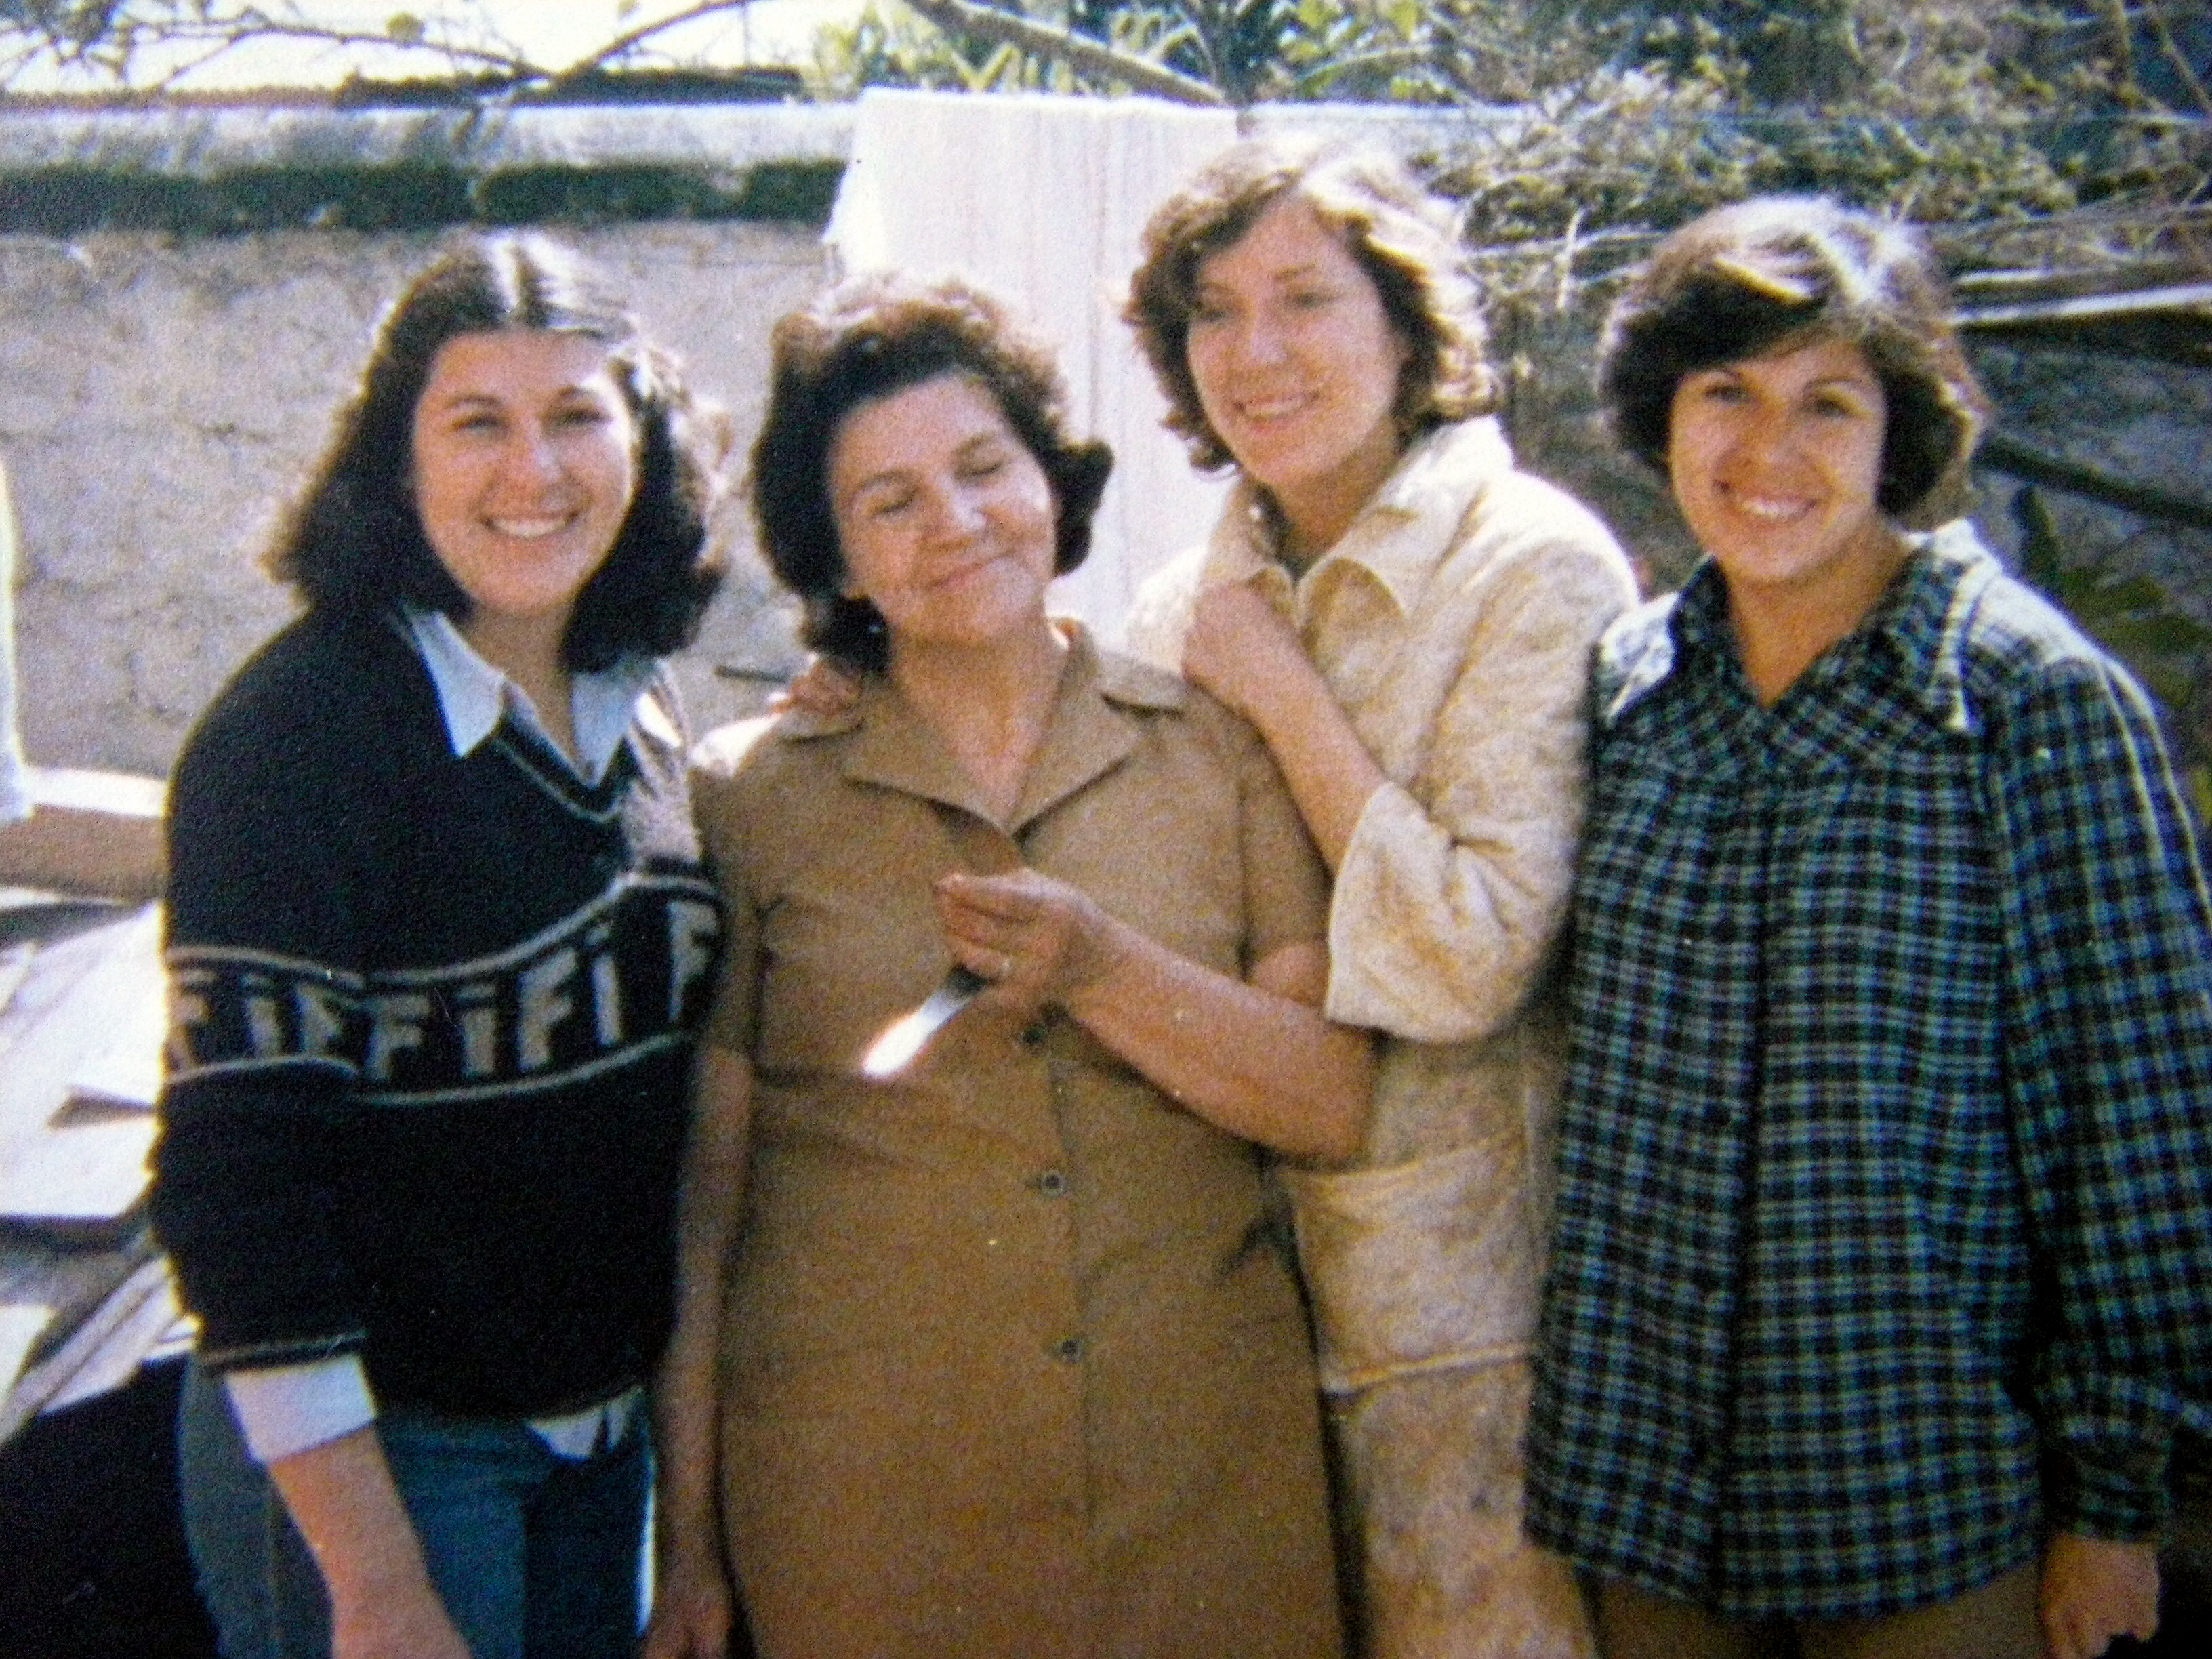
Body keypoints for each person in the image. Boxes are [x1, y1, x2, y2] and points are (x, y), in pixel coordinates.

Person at [1525, 195, 2212, 1659]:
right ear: (1665, 413)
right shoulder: (1627, 689)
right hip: (1650, 1507)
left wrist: (2116, 1506)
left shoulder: (2031, 702)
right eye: (1728, 395)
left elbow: (2147, 1129)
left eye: (1827, 404)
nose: (1768, 455)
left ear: (1898, 434)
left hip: (1926, 1518)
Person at [654, 272, 1367, 1659]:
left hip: (1203, 1501)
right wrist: (688, 1544)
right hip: (870, 1521)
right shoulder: (748, 796)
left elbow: (1327, 1099)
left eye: (986, 469)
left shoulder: (1215, 746)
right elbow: (706, 1207)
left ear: (1053, 480)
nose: (956, 524)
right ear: (837, 559)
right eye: (891, 502)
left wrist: (1102, 969)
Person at [151, 232, 731, 1659]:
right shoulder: (299, 739)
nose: (534, 474)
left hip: (597, 1454)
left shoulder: (642, 711)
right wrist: (377, 1581)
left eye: (579, 416)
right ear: (394, 459)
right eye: (478, 422)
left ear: (644, 443)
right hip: (386, 1466)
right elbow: (237, 1191)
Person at [1117, 136, 1638, 1658]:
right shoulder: (1176, 602)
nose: (1256, 353)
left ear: (1408, 327)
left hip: (1471, 1335)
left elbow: (1466, 960)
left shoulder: (1530, 567)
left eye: (1305, 299)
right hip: (1226, 1321)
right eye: (1212, 311)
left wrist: (1287, 702)